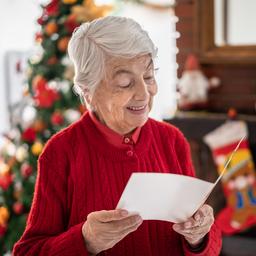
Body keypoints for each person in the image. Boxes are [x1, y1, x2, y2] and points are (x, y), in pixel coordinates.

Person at [13, 16, 222, 255]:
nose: (144, 94)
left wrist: (200, 237)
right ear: (88, 91)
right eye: (124, 83)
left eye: (148, 77)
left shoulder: (172, 140)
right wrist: (85, 240)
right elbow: (28, 251)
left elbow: (208, 243)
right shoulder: (61, 153)